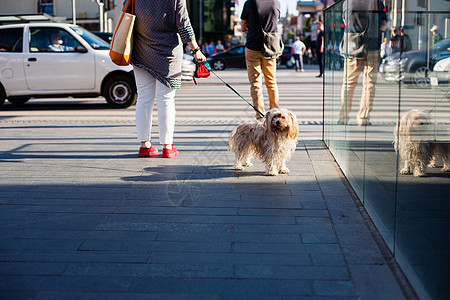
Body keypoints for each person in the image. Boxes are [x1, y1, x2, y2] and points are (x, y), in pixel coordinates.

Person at [130, 0, 206, 158]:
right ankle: (167, 146)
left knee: (144, 98)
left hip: (140, 51)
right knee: (166, 99)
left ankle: (145, 145)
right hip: (167, 55)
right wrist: (196, 50)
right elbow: (184, 25)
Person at [338, 0, 386, 126]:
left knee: (349, 83)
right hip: (373, 43)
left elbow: (345, 21)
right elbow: (383, 24)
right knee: (369, 83)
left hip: (352, 44)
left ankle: (343, 118)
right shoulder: (377, 1)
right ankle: (364, 118)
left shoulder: (348, 2)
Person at [241, 0, 281, 120]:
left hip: (252, 46)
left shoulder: (249, 3)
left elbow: (243, 27)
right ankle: (275, 115)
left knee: (255, 84)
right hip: (270, 47)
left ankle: (260, 117)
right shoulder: (276, 3)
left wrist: (251, 25)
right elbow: (275, 21)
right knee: (271, 82)